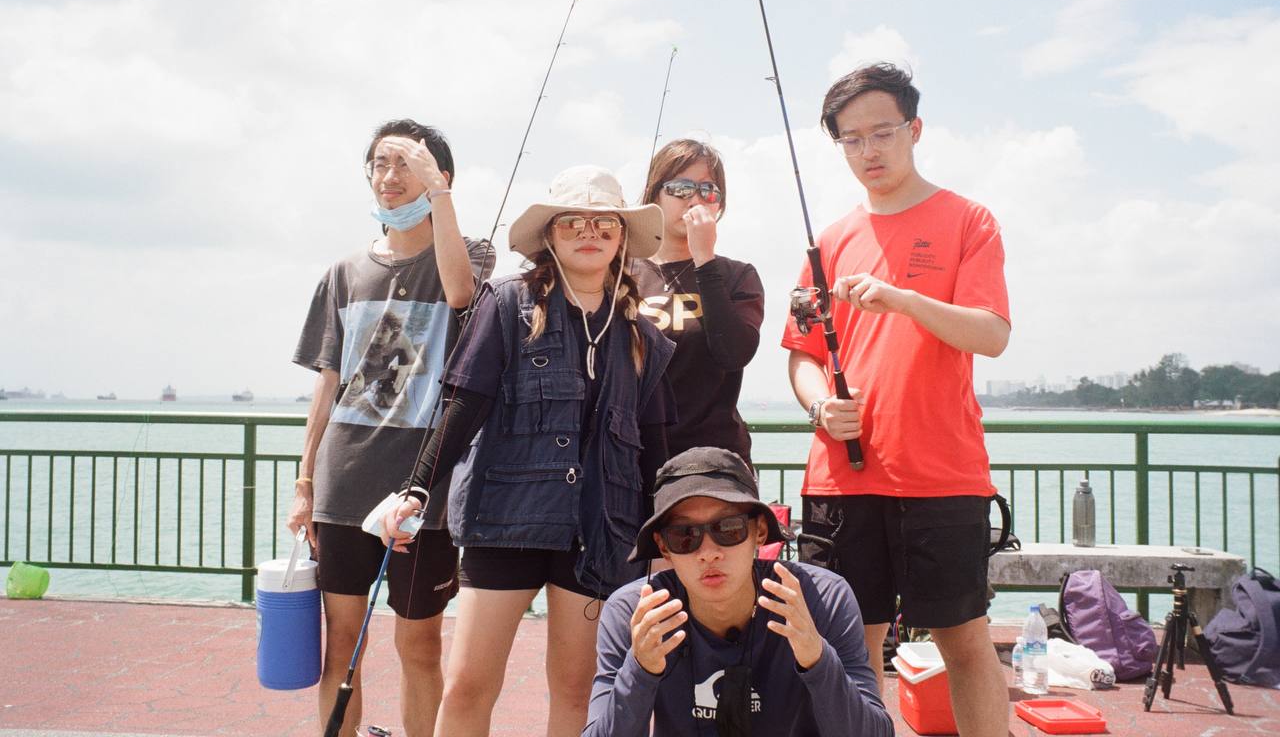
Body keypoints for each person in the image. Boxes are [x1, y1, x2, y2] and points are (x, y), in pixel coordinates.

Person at [382, 165, 677, 737]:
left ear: (621, 238)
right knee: (469, 683)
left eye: (603, 224)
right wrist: (416, 489)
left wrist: (662, 540)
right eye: (572, 223)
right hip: (503, 521)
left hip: (600, 533)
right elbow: (462, 407)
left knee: (577, 691)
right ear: (549, 235)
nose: (588, 233)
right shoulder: (507, 303)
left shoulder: (645, 336)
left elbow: (655, 453)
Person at [782, 63, 1012, 737]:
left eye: (881, 132)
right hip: (842, 476)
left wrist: (905, 299)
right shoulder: (827, 240)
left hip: (942, 473)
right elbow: (802, 353)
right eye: (850, 140)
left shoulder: (969, 220)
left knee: (964, 641)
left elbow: (992, 334)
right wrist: (820, 405)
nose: (869, 152)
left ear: (914, 129)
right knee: (849, 644)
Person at [288, 119, 494, 737]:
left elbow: (460, 294)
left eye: (408, 162)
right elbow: (329, 382)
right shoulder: (344, 273)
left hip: (420, 489)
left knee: (419, 645)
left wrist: (441, 199)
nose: (391, 175)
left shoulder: (469, 254)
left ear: (440, 177)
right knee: (343, 644)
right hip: (345, 482)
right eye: (381, 163)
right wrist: (305, 481)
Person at [583, 447, 893, 737]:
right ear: (663, 547)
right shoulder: (636, 614)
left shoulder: (820, 599)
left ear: (759, 532)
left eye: (728, 529)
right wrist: (640, 670)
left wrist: (817, 659)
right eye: (684, 536)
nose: (708, 552)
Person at [634, 139, 764, 463]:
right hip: (633, 457)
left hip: (712, 461)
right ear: (655, 195)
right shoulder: (621, 275)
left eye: (708, 191)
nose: (694, 199)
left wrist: (704, 259)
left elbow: (733, 353)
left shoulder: (737, 276)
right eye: (681, 188)